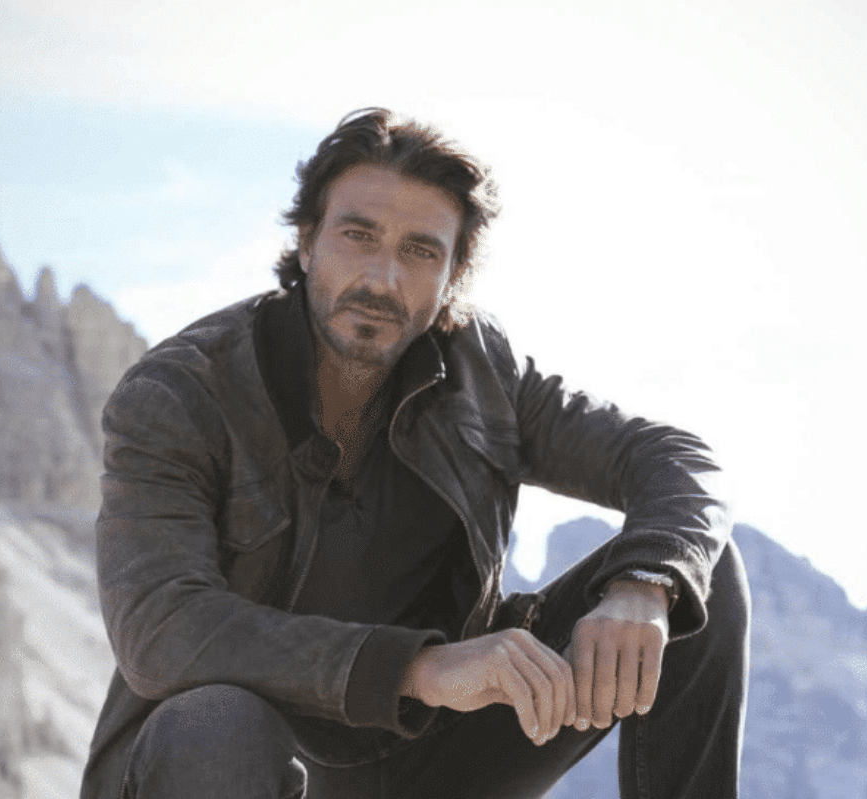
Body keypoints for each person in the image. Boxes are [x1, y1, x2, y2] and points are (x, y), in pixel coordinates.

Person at [80, 108, 751, 799]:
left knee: (692, 570)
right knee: (216, 723)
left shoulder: (482, 372)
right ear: (306, 242)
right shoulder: (183, 391)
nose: (382, 278)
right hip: (246, 760)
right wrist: (417, 669)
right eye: (358, 236)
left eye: (421, 252)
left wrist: (644, 587)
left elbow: (675, 460)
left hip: (433, 759)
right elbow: (162, 627)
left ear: (455, 273)